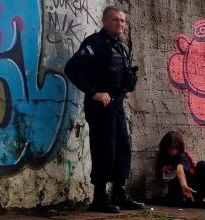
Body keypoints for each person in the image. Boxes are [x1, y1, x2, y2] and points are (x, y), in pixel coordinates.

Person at [64, 6, 144, 213]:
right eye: (116, 20)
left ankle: (120, 193)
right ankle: (99, 198)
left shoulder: (121, 47)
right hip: (101, 106)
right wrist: (94, 92)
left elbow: (121, 73)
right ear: (104, 21)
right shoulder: (94, 43)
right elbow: (72, 69)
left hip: (117, 105)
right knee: (104, 150)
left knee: (123, 149)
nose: (120, 24)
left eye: (123, 21)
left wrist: (125, 89)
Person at [157, 131, 205, 210]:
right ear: (165, 147)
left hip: (193, 187)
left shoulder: (181, 155)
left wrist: (184, 186)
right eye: (170, 148)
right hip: (180, 191)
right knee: (171, 201)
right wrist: (164, 169)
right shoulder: (163, 156)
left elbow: (180, 169)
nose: (173, 151)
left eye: (175, 148)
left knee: (202, 165)